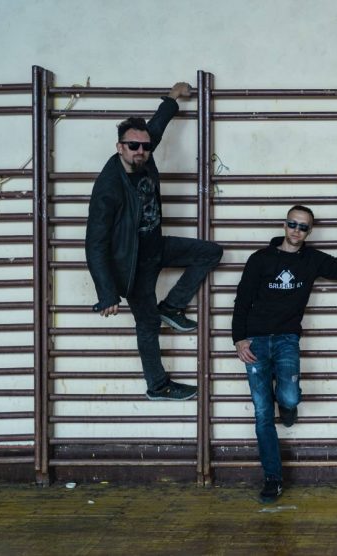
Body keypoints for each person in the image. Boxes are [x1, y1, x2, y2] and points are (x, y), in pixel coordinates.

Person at [85, 82, 222, 401]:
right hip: (133, 264)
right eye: (133, 146)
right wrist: (107, 292)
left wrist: (172, 98)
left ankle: (171, 307)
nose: (140, 151)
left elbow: (156, 127)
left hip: (155, 245)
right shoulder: (108, 188)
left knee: (210, 253)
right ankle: (158, 385)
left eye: (145, 147)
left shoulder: (144, 155)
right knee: (147, 324)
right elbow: (95, 243)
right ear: (120, 147)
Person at [232, 206, 337, 504]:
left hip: (286, 340)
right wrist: (238, 339)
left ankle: (287, 406)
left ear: (309, 232)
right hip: (255, 341)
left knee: (290, 398)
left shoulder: (312, 260)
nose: (296, 230)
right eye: (292, 224)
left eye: (303, 227)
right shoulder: (260, 259)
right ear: (284, 225)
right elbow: (242, 299)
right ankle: (273, 478)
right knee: (263, 413)